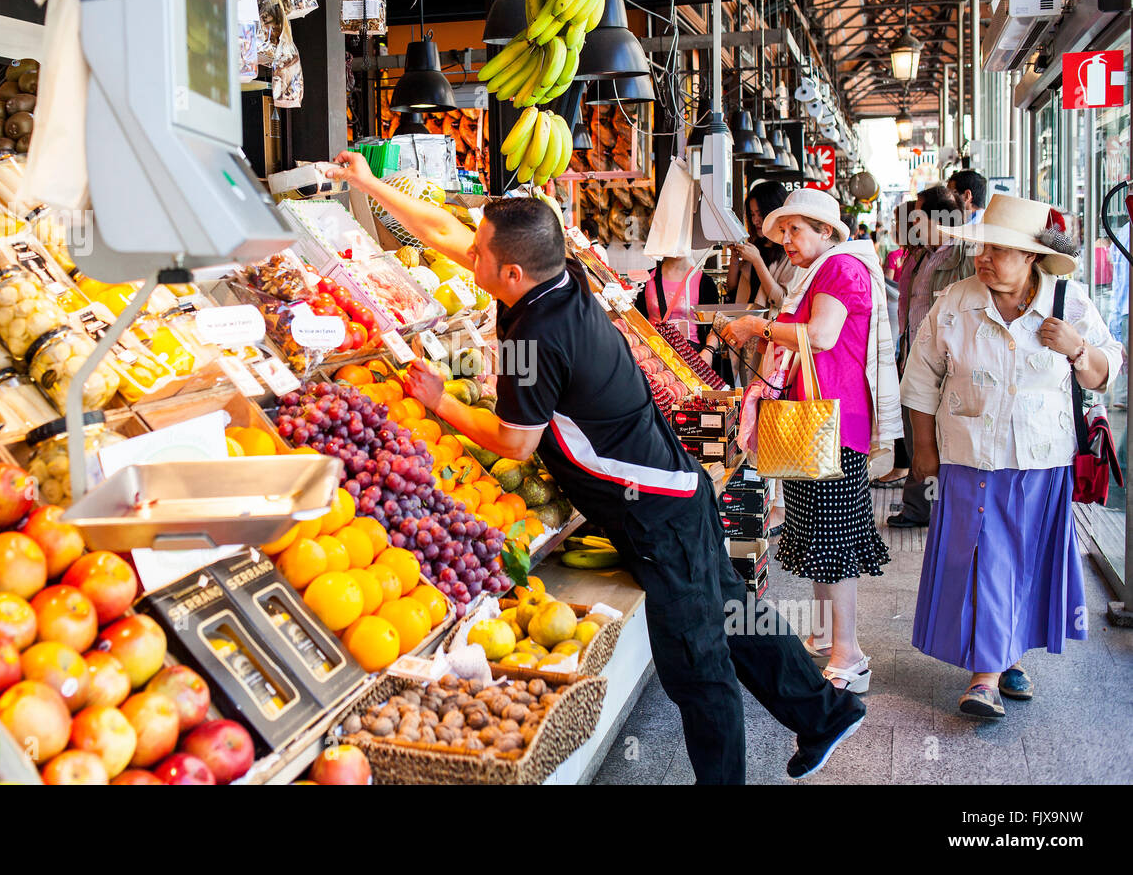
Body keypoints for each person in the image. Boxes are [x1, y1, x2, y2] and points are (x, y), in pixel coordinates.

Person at [325, 152, 865, 782]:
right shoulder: (557, 279)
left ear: (513, 271)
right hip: (672, 488)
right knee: (732, 615)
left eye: (480, 258)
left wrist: (441, 402)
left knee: (696, 661)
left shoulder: (536, 337)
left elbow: (515, 442)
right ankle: (825, 712)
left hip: (656, 509)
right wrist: (368, 185)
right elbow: (448, 232)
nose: (468, 259)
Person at [901, 194, 1122, 718]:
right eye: (983, 247)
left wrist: (1075, 348)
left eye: (1000, 249)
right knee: (982, 560)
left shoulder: (1069, 304)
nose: (984, 258)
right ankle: (985, 677)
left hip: (1041, 463)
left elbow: (1105, 371)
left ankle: (1004, 659)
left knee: (1023, 562)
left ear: (1030, 258)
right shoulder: (954, 303)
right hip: (970, 458)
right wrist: (925, 453)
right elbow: (919, 382)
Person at [718, 189, 902, 694]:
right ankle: (826, 638)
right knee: (817, 533)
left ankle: (850, 653)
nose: (786, 239)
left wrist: (758, 324)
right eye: (783, 230)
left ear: (826, 232)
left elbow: (820, 335)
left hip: (833, 424)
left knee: (835, 541)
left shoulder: (842, 269)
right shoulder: (820, 270)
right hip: (813, 422)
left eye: (796, 229)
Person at [885, 186, 974, 518]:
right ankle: (920, 504)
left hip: (945, 362)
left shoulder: (963, 255)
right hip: (912, 355)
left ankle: (930, 506)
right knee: (915, 431)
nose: (913, 219)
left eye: (918, 213)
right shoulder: (921, 254)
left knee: (935, 435)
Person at [725, 182, 796, 384]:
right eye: (752, 214)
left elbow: (781, 299)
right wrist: (734, 258)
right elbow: (733, 288)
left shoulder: (789, 251)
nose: (756, 220)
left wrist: (757, 261)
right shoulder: (754, 244)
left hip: (769, 332)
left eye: (761, 214)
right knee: (746, 384)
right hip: (747, 331)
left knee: (764, 385)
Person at [634, 250, 721, 363]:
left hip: (693, 356)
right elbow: (638, 320)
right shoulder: (646, 279)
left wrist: (708, 351)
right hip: (653, 354)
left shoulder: (704, 282)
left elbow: (716, 325)